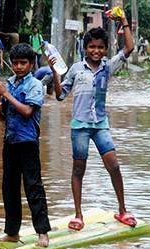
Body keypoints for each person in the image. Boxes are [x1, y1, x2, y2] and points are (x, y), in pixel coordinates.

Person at [50, 10, 138, 231]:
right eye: (92, 47)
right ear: (85, 49)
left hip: (100, 125)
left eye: (100, 47)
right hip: (79, 126)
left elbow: (129, 48)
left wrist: (124, 22)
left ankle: (123, 210)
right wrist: (55, 75)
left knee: (114, 166)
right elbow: (60, 96)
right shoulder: (76, 69)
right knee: (78, 169)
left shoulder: (108, 67)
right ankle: (78, 215)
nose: (96, 51)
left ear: (105, 49)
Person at [0, 43, 51, 247]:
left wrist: (6, 95)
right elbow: (6, 117)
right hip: (11, 142)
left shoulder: (34, 85)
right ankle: (12, 232)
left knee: (33, 187)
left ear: (31, 64)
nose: (18, 67)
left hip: (28, 143)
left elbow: (27, 112)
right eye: (15, 63)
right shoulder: (10, 83)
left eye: (23, 63)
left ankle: (42, 233)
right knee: (9, 188)